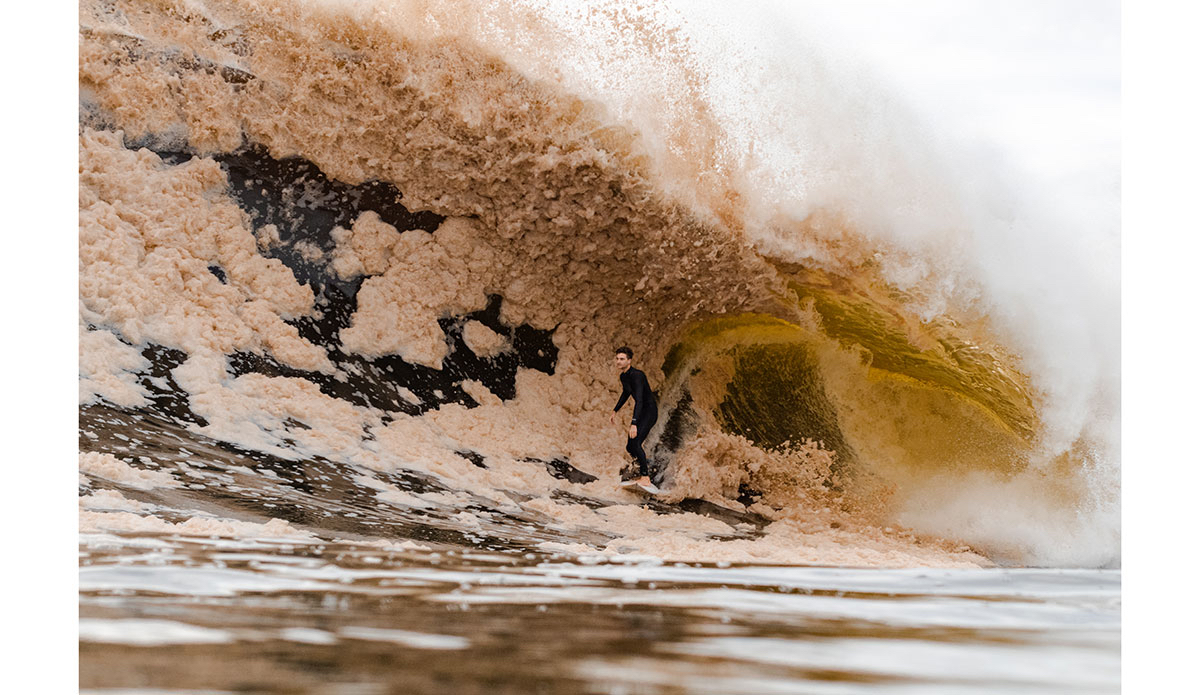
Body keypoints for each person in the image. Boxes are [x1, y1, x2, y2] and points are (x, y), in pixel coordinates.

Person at [609, 346, 660, 493]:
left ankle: (645, 477)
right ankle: (641, 468)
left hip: (649, 412)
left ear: (629, 361)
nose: (618, 361)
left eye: (622, 359)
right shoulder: (624, 376)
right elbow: (626, 393)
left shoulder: (638, 375)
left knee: (636, 443)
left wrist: (634, 423)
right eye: (617, 359)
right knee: (630, 447)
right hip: (642, 412)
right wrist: (615, 410)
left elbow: (640, 401)